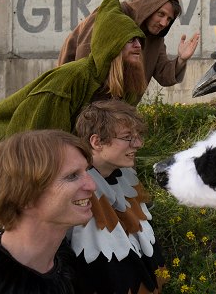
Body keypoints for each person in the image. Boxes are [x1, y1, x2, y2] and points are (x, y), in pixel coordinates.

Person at [0, 0, 147, 263]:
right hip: (3, 139)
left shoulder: (123, 85)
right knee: (5, 214)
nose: (138, 45)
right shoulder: (68, 81)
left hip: (50, 144)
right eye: (130, 40)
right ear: (110, 43)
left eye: (139, 40)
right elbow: (31, 142)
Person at [0, 130, 96, 294]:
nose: (92, 186)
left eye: (86, 171)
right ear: (24, 194)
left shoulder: (60, 256)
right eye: (72, 176)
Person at [70, 99, 167, 294]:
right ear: (97, 142)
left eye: (137, 136)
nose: (138, 144)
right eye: (127, 137)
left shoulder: (125, 175)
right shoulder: (73, 187)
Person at [57, 0, 200, 95]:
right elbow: (83, 55)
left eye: (169, 19)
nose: (164, 23)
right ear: (149, 8)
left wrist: (181, 59)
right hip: (81, 96)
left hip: (116, 108)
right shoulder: (112, 14)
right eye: (161, 14)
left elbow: (164, 74)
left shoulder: (155, 37)